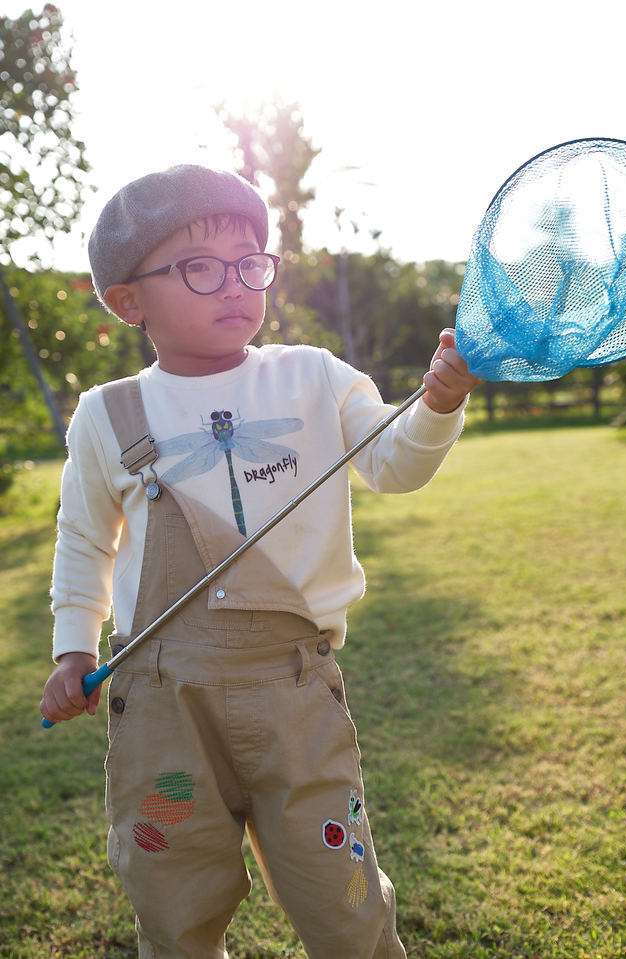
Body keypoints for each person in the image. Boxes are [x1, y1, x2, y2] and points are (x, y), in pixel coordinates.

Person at [40, 164, 481, 959]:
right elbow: (84, 538)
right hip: (164, 705)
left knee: (342, 894)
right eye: (201, 268)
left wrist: (439, 407)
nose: (235, 284)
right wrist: (74, 645)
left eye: (252, 263)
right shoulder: (109, 416)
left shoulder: (312, 376)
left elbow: (393, 464)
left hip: (293, 696)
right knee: (174, 894)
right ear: (127, 301)